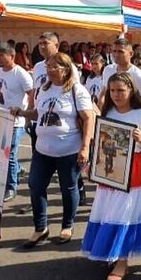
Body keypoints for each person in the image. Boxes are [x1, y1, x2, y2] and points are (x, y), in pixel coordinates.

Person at [81, 72, 141, 280]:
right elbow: (99, 140)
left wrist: (140, 137)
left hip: (135, 169)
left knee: (126, 214)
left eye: (121, 90)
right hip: (111, 168)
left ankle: (122, 261)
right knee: (109, 211)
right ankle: (111, 252)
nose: (116, 94)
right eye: (112, 90)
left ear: (131, 91)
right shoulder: (108, 112)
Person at [15, 52, 94, 249]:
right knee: (35, 185)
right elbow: (39, 113)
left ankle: (67, 226)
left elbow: (88, 118)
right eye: (48, 66)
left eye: (54, 67)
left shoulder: (77, 91)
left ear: (66, 70)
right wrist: (23, 113)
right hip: (42, 150)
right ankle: (40, 228)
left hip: (69, 151)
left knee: (68, 188)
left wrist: (85, 147)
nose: (49, 70)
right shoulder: (42, 89)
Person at [0, 42, 34, 203]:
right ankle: (14, 173)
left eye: (1, 55)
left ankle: (11, 187)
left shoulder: (20, 74)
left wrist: (27, 115)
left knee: (9, 154)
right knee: (0, 154)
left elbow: (32, 94)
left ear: (11, 56)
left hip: (15, 121)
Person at [98, 38, 141, 111]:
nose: (116, 54)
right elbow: (104, 93)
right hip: (110, 116)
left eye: (120, 52)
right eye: (114, 51)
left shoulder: (138, 76)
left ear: (131, 54)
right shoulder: (108, 70)